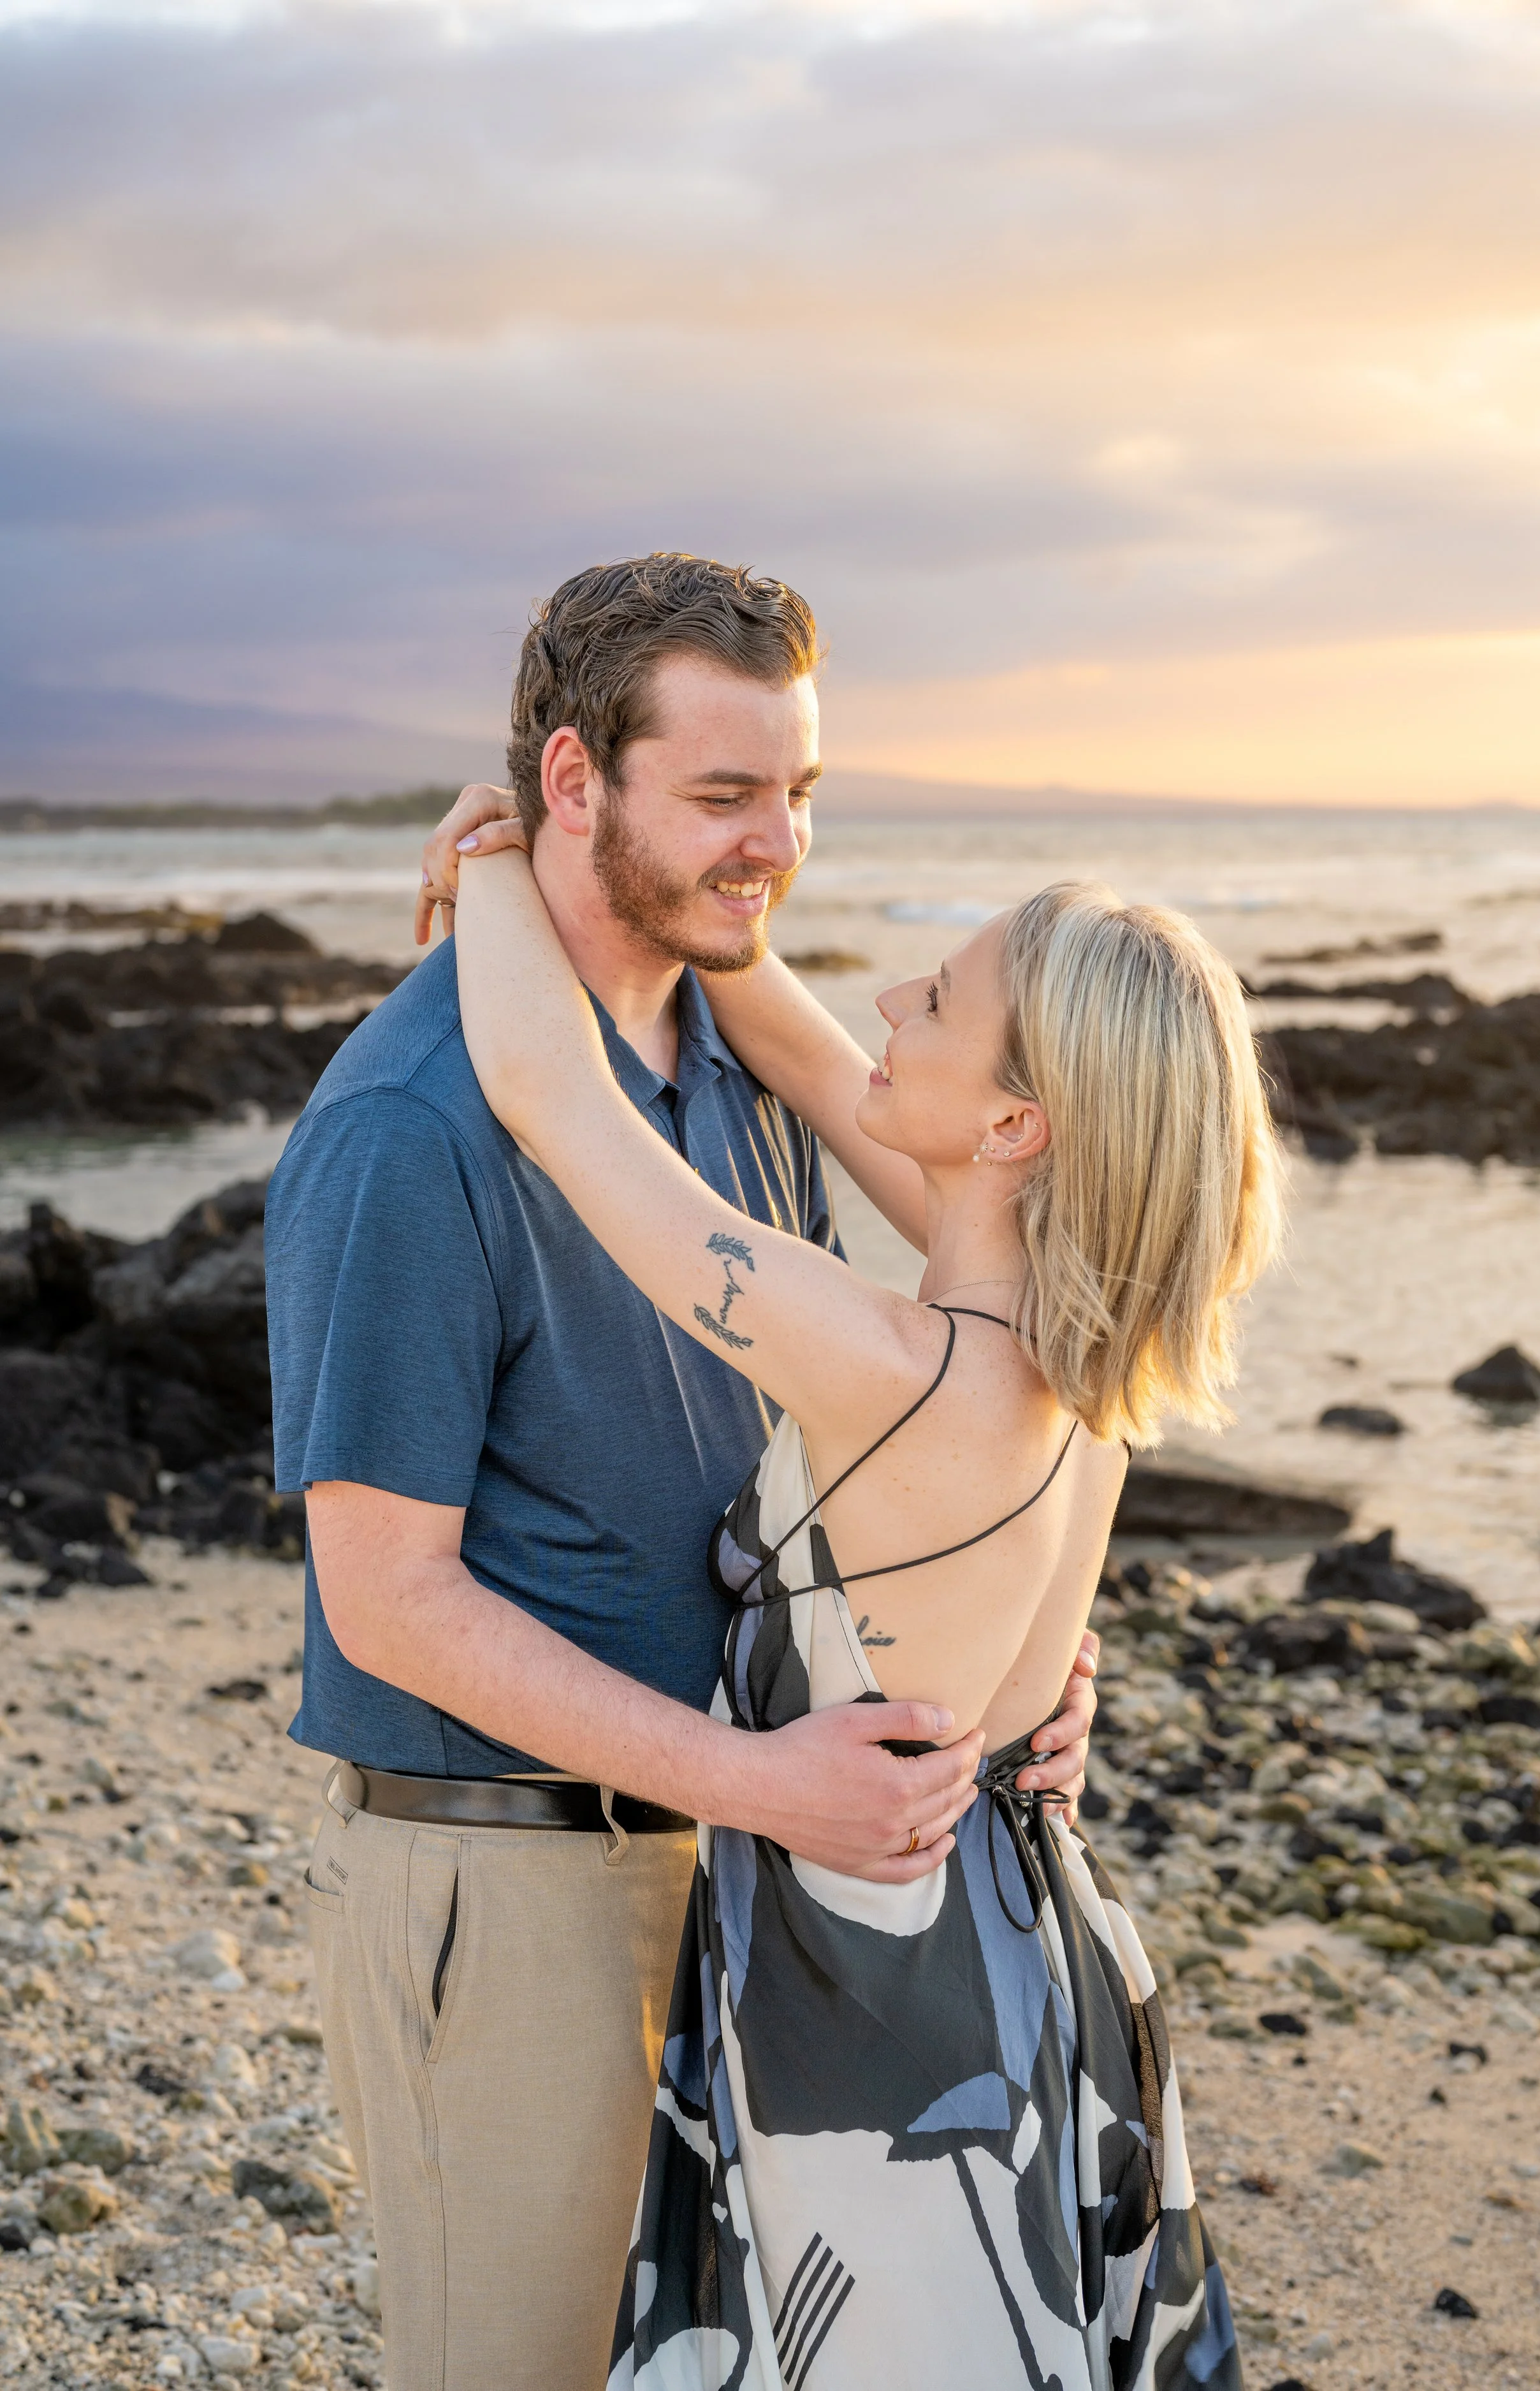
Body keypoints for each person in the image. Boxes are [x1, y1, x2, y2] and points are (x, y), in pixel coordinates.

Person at [265, 553, 1099, 2391]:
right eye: (724, 795)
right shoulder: (409, 1127)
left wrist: (1010, 1655)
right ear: (575, 781)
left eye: (798, 791)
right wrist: (754, 1775)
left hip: (750, 1868)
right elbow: (382, 1597)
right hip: (524, 1889)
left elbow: (895, 1422)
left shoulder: (744, 1051)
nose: (773, 845)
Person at [446, 837, 1281, 2390]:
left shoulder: (884, 1369)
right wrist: (717, 913)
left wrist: (498, 856)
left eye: (938, 998)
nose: (888, 998)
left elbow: (554, 1103)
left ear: (1015, 1122)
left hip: (874, 1998)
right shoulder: (1086, 1367)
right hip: (1028, 1940)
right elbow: (826, 1067)